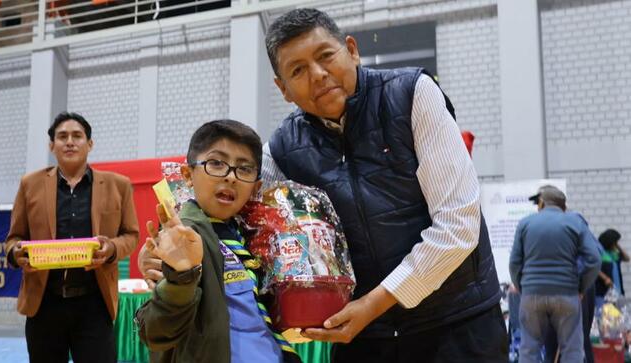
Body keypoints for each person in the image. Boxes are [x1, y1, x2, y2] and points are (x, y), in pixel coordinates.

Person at [140, 8, 507, 362]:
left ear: (351, 50)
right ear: (282, 88)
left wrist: (375, 302)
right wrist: (165, 254)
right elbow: (226, 205)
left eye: (326, 56)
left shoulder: (411, 94)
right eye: (297, 70)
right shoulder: (282, 148)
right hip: (363, 335)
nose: (317, 75)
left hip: (458, 322)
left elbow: (458, 226)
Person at [136, 120, 301, 363]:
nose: (231, 177)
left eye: (244, 169)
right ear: (188, 175)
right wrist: (182, 276)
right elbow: (156, 331)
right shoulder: (181, 238)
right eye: (216, 163)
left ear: (256, 186)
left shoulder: (251, 234)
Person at [5, 112, 139, 363]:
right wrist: (17, 253)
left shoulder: (118, 185)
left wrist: (111, 248)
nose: (69, 142)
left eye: (77, 136)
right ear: (51, 145)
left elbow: (131, 235)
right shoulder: (29, 184)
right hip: (44, 303)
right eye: (62, 136)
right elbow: (14, 239)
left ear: (89, 144)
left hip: (94, 304)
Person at [509, 185, 601, 363]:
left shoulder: (525, 223)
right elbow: (594, 259)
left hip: (532, 295)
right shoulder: (576, 223)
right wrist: (580, 288)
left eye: (537, 203)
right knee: (572, 351)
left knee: (529, 350)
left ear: (542, 203)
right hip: (566, 295)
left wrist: (523, 288)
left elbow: (514, 263)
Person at [595, 228, 628, 306]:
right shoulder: (600, 253)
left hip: (617, 288)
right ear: (609, 243)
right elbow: (594, 268)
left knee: (616, 315)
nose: (616, 243)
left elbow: (627, 258)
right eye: (615, 242)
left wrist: (618, 246)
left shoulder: (615, 253)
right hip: (604, 290)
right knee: (606, 314)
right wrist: (605, 278)